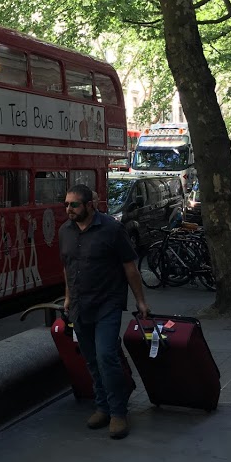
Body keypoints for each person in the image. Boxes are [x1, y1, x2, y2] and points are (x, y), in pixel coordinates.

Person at [60, 183, 150, 440]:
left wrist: (140, 301)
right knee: (90, 359)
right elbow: (67, 267)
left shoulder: (111, 229)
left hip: (107, 304)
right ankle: (103, 407)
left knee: (106, 356)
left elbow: (130, 267)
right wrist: (67, 297)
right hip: (79, 305)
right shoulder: (64, 231)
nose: (69, 209)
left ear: (90, 205)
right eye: (66, 204)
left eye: (74, 204)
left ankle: (118, 412)